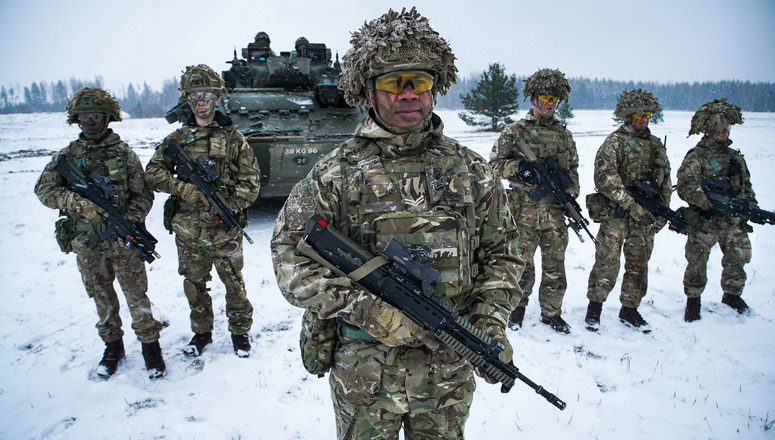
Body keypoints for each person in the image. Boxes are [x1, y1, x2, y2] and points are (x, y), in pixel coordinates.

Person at [270, 8, 523, 439]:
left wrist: (487, 324)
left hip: (446, 369)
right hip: (364, 374)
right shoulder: (337, 174)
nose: (408, 94)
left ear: (434, 89)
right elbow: (290, 257)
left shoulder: (471, 171)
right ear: (368, 92)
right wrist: (367, 309)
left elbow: (504, 256)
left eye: (419, 82)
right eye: (392, 82)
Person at [34, 87, 165, 379]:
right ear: (76, 119)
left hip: (123, 241)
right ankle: (113, 348)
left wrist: (129, 219)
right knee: (102, 298)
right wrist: (75, 202)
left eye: (96, 115)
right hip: (87, 243)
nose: (90, 121)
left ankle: (151, 349)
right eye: (84, 116)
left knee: (137, 297)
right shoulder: (67, 156)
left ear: (107, 118)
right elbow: (43, 189)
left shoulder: (124, 154)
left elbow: (142, 195)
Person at [145, 64, 260, 358]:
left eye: (206, 93)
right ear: (187, 99)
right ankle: (202, 333)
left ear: (218, 97)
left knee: (234, 285)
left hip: (225, 228)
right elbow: (153, 173)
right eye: (194, 94)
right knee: (195, 286)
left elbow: (251, 183)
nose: (201, 100)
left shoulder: (234, 139)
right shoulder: (177, 140)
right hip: (188, 230)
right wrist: (184, 189)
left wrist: (227, 206)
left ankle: (240, 333)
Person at [489, 68, 578, 333]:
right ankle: (517, 310)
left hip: (554, 214)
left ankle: (552, 313)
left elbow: (572, 171)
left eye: (554, 98)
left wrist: (570, 197)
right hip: (521, 213)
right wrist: (520, 169)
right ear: (533, 99)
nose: (549, 102)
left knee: (555, 267)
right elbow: (493, 165)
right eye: (544, 97)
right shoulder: (514, 131)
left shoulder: (564, 135)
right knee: (521, 266)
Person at [584, 89, 671, 333]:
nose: (643, 120)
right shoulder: (614, 143)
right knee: (607, 261)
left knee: (638, 263)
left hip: (646, 216)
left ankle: (630, 308)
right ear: (628, 116)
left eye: (647, 115)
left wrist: (663, 211)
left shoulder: (655, 145)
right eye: (638, 115)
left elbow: (665, 179)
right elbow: (605, 178)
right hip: (617, 215)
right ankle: (595, 307)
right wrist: (630, 205)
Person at [676, 98, 754, 321]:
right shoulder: (697, 156)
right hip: (705, 220)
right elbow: (685, 186)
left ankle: (732, 295)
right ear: (708, 129)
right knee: (697, 262)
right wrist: (707, 203)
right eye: (720, 128)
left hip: (732, 220)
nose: (724, 131)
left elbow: (745, 186)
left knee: (738, 257)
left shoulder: (734, 157)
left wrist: (750, 209)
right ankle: (693, 302)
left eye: (727, 128)